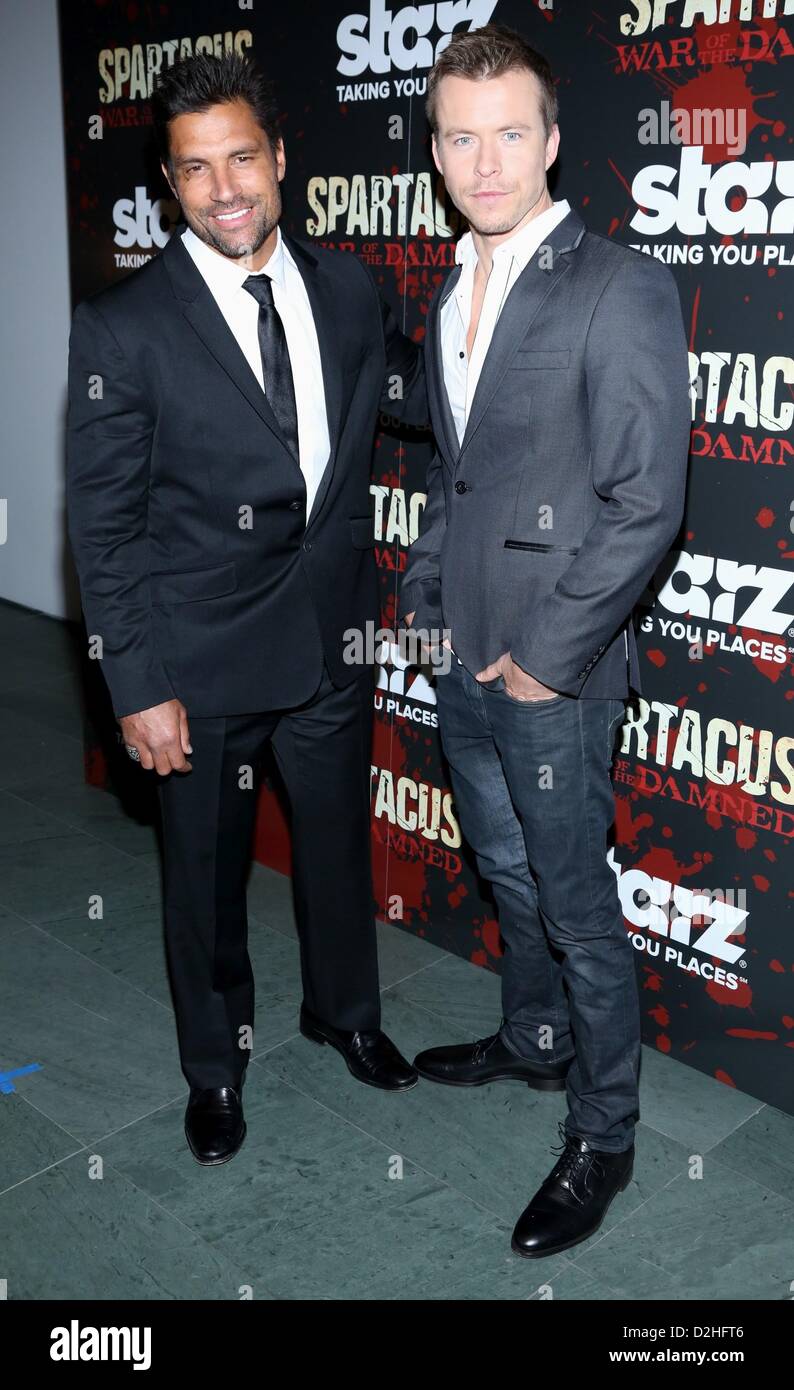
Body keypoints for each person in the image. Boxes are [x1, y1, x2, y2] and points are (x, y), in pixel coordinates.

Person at [66, 52, 427, 1167]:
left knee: (332, 848)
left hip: (327, 636)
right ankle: (215, 1067)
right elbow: (104, 526)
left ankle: (345, 1013)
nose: (223, 189)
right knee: (207, 884)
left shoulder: (347, 288)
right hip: (200, 664)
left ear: (278, 158)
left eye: (239, 158)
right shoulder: (124, 328)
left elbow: (418, 397)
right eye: (193, 171)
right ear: (170, 186)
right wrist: (137, 685)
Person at [399, 23, 691, 1257]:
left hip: (551, 674)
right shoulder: (446, 289)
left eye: (508, 132)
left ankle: (604, 1130)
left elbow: (645, 502)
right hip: (464, 654)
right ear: (433, 148)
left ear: (552, 141)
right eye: (458, 136)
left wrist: (544, 657)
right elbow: (454, 480)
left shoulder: (617, 285)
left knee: (572, 904)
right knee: (506, 871)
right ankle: (530, 1040)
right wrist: (423, 604)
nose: (484, 159)